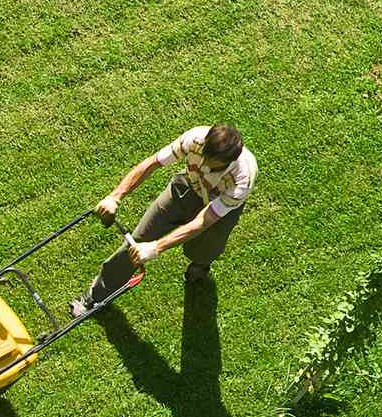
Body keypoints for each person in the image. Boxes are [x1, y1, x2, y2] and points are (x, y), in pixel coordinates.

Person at [71, 124, 257, 319]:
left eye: (212, 162)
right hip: (186, 188)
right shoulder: (196, 138)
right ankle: (96, 295)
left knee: (203, 251)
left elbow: (203, 221)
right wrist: (115, 196)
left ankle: (200, 266)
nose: (204, 164)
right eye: (203, 155)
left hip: (217, 210)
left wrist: (157, 247)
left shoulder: (242, 179)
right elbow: (153, 163)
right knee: (137, 241)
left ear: (229, 160)